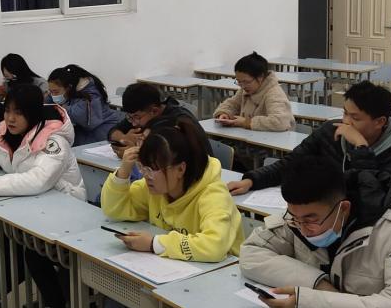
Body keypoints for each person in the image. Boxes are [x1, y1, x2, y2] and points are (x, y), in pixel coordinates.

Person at [0, 84, 85, 308]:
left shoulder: (54, 141)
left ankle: (55, 305)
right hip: (31, 213)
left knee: (24, 252)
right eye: (7, 111)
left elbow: (38, 180)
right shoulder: (7, 133)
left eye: (18, 112)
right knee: (3, 246)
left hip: (65, 219)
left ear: (32, 113)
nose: (10, 118)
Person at [240, 154, 391, 308]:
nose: (303, 229)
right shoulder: (297, 219)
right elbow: (251, 253)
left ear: (343, 208)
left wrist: (311, 301)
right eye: (295, 218)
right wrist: (318, 283)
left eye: (311, 220)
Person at [228, 81, 391, 194]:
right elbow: (293, 163)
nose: (346, 122)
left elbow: (372, 194)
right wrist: (252, 180)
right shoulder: (329, 131)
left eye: (355, 118)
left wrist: (360, 147)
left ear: (380, 122)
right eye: (345, 113)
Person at [101, 120, 244, 261]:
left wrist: (153, 244)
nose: (145, 175)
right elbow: (115, 210)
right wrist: (124, 171)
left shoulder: (214, 195)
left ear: (180, 169)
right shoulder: (155, 187)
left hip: (226, 270)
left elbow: (214, 247)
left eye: (152, 169)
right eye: (142, 167)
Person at [108, 82, 214, 159]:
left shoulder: (177, 121)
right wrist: (124, 138)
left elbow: (170, 157)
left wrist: (134, 153)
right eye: (130, 117)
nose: (134, 123)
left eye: (137, 117)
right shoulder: (139, 115)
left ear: (154, 111)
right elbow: (113, 131)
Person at [213, 52, 295, 132]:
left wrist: (246, 122)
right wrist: (224, 114)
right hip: (251, 137)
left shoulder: (274, 94)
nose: (242, 86)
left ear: (260, 77)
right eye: (239, 81)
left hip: (274, 139)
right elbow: (232, 104)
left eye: (246, 82)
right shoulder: (245, 89)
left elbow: (280, 122)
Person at [46, 64, 123, 146]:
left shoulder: (91, 95)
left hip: (102, 130)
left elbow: (78, 115)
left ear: (68, 88)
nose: (53, 95)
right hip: (84, 131)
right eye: (51, 91)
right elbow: (47, 104)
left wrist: (58, 108)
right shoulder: (68, 91)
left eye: (56, 92)